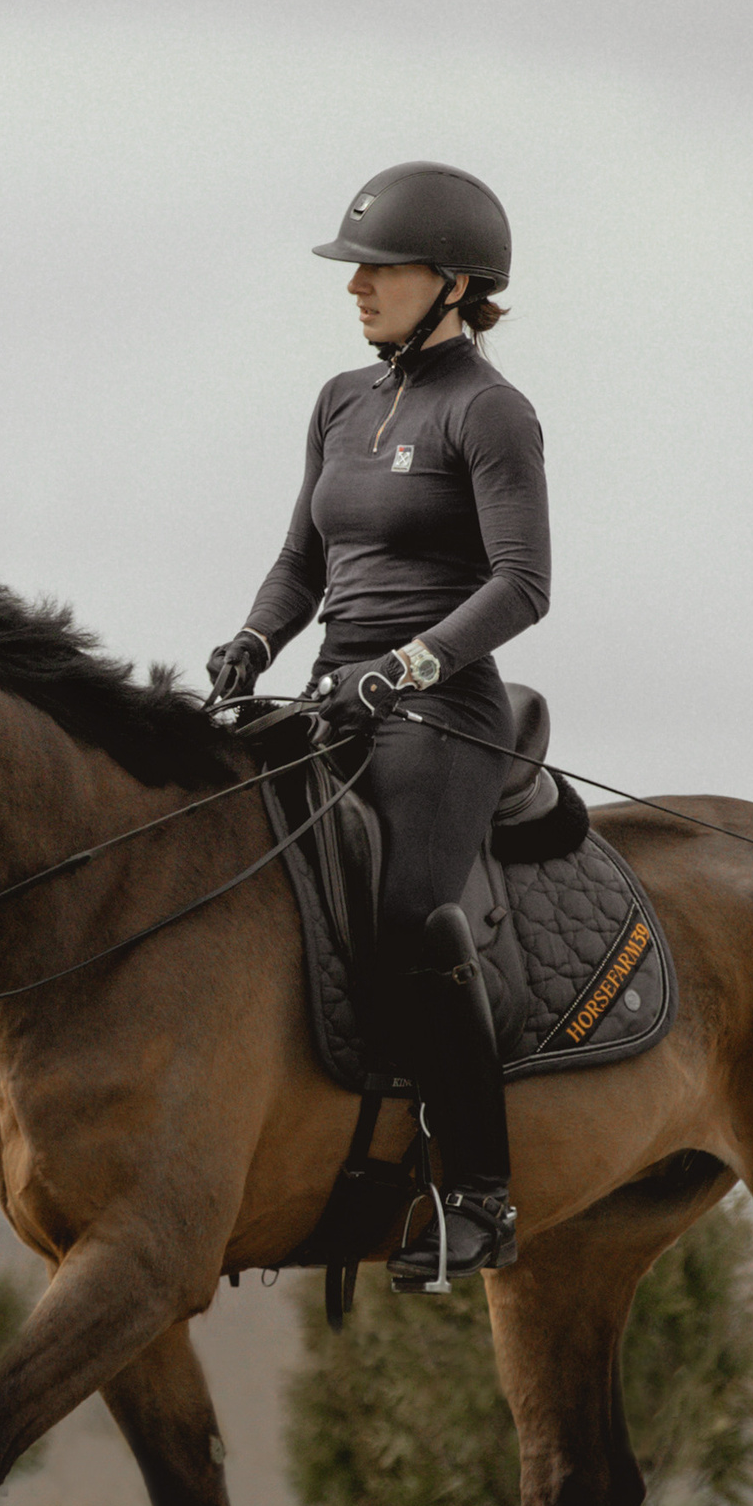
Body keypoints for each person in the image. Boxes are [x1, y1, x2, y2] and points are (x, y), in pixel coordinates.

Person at [205, 161, 550, 1293]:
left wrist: (408, 665)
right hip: (329, 690)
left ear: (453, 283)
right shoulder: (340, 401)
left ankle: (478, 1195)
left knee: (410, 913)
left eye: (379, 271)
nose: (356, 289)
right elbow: (303, 559)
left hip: (441, 711)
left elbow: (523, 583)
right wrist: (254, 642)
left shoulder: (489, 411)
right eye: (352, 272)